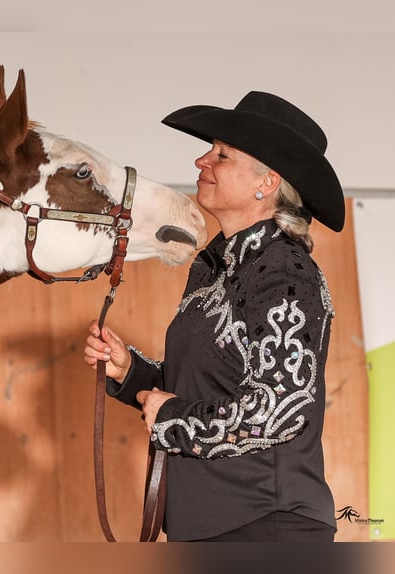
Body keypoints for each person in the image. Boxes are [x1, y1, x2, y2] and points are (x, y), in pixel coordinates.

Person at [84, 91, 344, 542]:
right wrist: (132, 373)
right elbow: (209, 386)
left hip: (267, 529)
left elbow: (279, 410)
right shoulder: (214, 268)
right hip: (212, 530)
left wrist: (175, 418)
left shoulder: (285, 273)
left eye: (222, 154)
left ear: (267, 182)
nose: (202, 160)